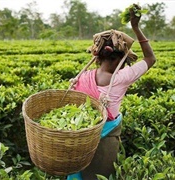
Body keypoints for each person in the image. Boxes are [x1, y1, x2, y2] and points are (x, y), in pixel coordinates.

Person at [67, 4, 156, 180]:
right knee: (99, 175)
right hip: (104, 141)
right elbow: (150, 58)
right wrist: (136, 28)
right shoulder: (122, 77)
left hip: (79, 139)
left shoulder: (83, 76)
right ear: (118, 60)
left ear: (98, 55)